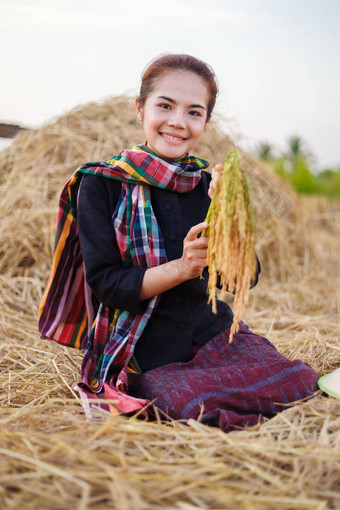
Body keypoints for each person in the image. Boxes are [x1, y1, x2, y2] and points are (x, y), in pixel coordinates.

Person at [38, 53, 319, 431]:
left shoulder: (207, 185)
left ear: (205, 121)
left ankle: (226, 399)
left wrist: (228, 219)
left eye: (194, 112)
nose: (177, 122)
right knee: (183, 403)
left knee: (302, 380)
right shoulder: (101, 184)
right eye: (165, 106)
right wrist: (182, 268)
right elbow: (107, 285)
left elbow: (243, 279)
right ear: (140, 109)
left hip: (213, 333)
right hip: (143, 347)